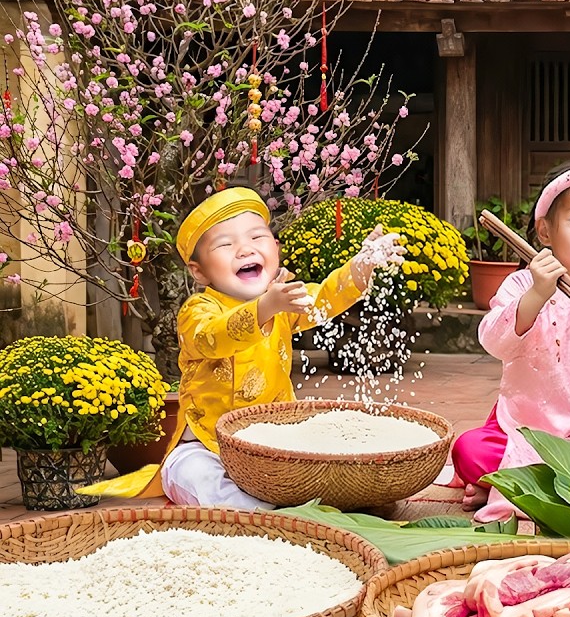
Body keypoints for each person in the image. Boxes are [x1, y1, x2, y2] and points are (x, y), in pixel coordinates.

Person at [90, 186, 405, 507]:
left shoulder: (281, 297)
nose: (244, 249)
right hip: (209, 445)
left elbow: (325, 298)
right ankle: (262, 511)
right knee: (194, 474)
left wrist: (362, 265)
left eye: (257, 238)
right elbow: (212, 337)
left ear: (276, 248)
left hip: (276, 443)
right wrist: (265, 307)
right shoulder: (198, 309)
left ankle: (291, 501)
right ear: (198, 271)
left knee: (327, 466)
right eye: (226, 244)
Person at [452, 162, 570, 522]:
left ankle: (506, 485)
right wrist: (537, 293)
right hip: (517, 425)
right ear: (545, 231)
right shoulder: (521, 285)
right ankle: (522, 485)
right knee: (468, 450)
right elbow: (494, 341)